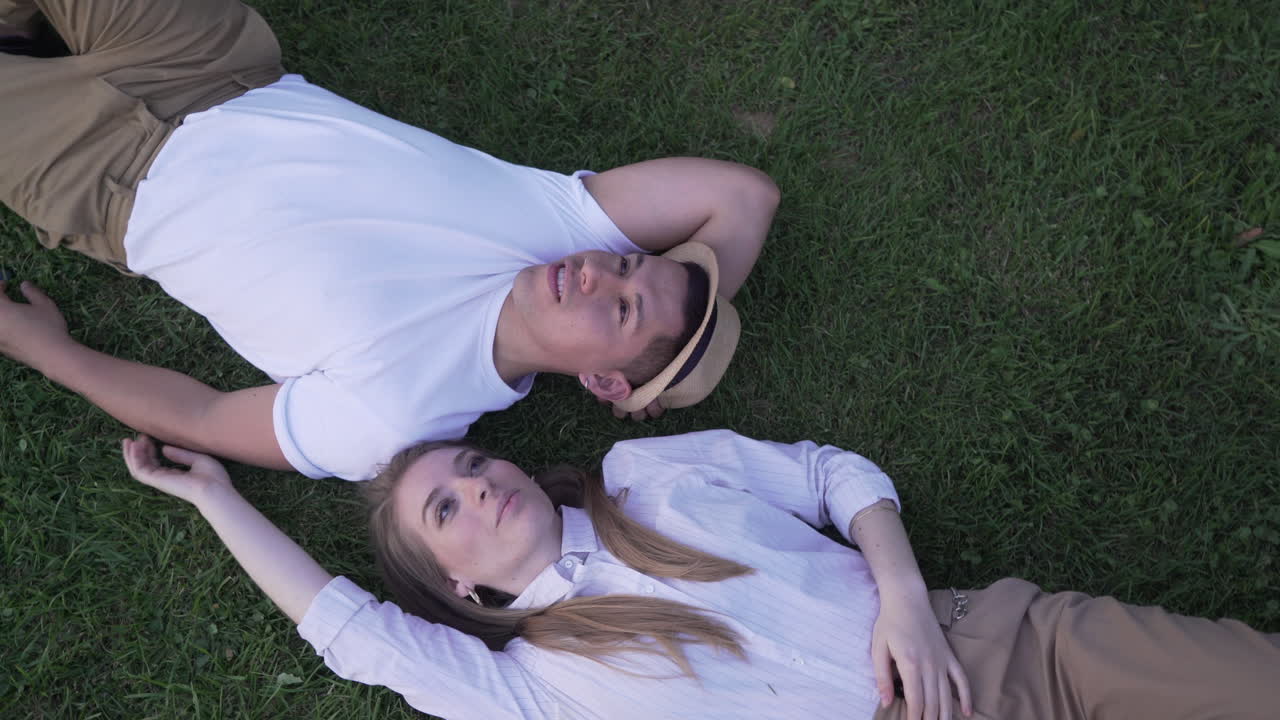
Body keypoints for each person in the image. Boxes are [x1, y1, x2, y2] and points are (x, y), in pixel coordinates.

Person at [0, 0, 779, 480]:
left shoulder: (398, 416)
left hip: (107, 180)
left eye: (621, 312)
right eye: (626, 265)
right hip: (212, 69)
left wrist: (46, 350)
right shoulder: (555, 228)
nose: (596, 275)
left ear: (601, 383)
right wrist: (672, 350)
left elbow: (204, 419)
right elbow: (743, 195)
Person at [123, 430, 1280, 720]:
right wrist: (215, 495)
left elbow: (834, 474)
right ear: (459, 586)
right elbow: (348, 631)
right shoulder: (532, 687)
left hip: (1003, 644)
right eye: (447, 507)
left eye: (473, 465)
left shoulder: (645, 480)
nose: (479, 488)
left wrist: (908, 604)